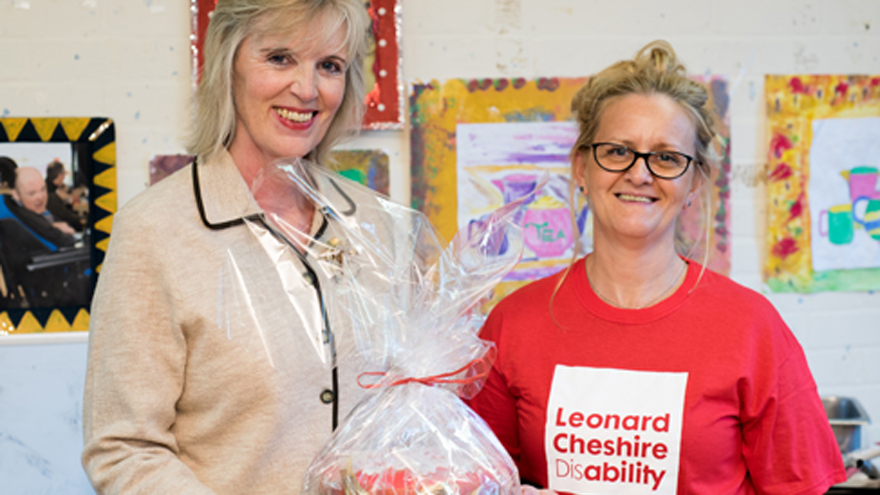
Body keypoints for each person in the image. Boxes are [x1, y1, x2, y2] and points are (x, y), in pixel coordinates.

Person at [467, 40, 846, 495]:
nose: (640, 173)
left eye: (666, 157)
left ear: (694, 183)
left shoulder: (753, 330)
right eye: (617, 151)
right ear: (582, 168)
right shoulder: (514, 324)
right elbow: (477, 482)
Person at [82, 1, 371, 493]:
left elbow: (411, 411)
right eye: (279, 58)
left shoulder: (375, 226)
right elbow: (124, 448)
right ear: (227, 64)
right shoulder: (155, 230)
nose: (307, 89)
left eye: (329, 66)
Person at [5, 166, 76, 248]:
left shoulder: (43, 214)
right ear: (16, 195)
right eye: (32, 193)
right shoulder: (23, 219)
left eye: (43, 189)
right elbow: (66, 240)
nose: (40, 197)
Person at [45, 160, 86, 231]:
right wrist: (83, 220)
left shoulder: (50, 187)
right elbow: (66, 215)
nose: (64, 177)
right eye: (64, 174)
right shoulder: (52, 196)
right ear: (60, 175)